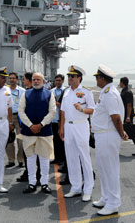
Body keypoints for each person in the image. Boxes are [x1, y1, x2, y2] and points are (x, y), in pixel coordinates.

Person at [91, 64, 128, 216]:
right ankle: (106, 198)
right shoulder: (106, 92)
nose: (96, 80)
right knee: (103, 167)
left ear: (102, 78)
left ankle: (113, 203)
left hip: (108, 135)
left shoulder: (110, 94)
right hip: (102, 134)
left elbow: (116, 117)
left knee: (111, 169)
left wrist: (121, 134)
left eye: (97, 77)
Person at [59, 65, 95, 202]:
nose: (69, 78)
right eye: (68, 76)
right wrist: (61, 127)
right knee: (71, 157)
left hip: (81, 125)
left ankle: (88, 189)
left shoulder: (86, 92)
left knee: (84, 158)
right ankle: (75, 187)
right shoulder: (67, 92)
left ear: (79, 78)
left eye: (72, 76)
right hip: (68, 126)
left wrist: (82, 109)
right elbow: (62, 111)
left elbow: (92, 109)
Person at [18, 73, 56, 194]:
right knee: (30, 159)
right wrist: (30, 125)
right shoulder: (26, 94)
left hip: (44, 131)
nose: (35, 81)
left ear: (43, 81)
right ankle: (32, 183)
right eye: (34, 79)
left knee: (44, 158)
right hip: (29, 131)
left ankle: (44, 184)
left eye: (38, 79)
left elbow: (52, 112)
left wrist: (41, 125)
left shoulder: (49, 94)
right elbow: (21, 111)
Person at [5, 72, 25, 168]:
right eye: (10, 78)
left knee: (20, 140)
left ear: (17, 80)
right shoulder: (5, 90)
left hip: (19, 117)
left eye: (14, 78)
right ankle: (11, 160)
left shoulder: (22, 91)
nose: (12, 80)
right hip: (7, 117)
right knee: (9, 140)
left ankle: (21, 160)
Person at [120, 77, 135, 156]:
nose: (119, 83)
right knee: (130, 131)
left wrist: (128, 117)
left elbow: (129, 105)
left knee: (132, 132)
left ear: (122, 82)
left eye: (120, 82)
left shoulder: (128, 92)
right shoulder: (124, 91)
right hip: (125, 114)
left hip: (127, 115)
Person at [50, 74, 65, 164]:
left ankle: (62, 159)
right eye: (56, 80)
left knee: (61, 141)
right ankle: (56, 157)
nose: (57, 82)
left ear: (63, 81)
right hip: (53, 119)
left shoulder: (65, 91)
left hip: (62, 120)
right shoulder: (51, 91)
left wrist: (60, 105)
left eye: (59, 80)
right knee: (54, 140)